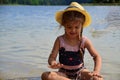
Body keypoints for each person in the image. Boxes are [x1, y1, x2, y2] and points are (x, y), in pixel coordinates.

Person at [41, 2, 103, 80]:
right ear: (64, 25)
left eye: (77, 27)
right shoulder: (60, 40)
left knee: (98, 79)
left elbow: (97, 56)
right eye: (69, 27)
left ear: (82, 25)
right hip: (63, 74)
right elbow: (52, 57)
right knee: (46, 75)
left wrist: (96, 71)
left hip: (80, 72)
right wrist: (53, 63)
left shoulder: (84, 41)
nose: (73, 30)